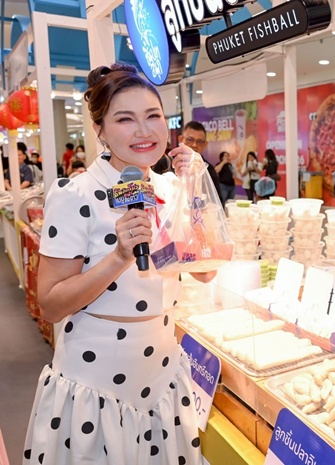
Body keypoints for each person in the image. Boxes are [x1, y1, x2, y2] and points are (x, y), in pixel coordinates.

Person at [23, 63, 213, 465]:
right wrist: (118, 258)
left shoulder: (169, 187)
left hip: (162, 379)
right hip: (96, 388)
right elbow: (51, 305)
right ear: (101, 130)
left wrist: (195, 189)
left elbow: (205, 270)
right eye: (125, 119)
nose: (143, 131)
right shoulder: (75, 195)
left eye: (153, 116)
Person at [179, 120, 222, 204]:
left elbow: (217, 202)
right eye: (190, 140)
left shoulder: (209, 169)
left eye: (199, 142)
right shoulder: (167, 164)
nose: (194, 145)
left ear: (205, 144)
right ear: (181, 139)